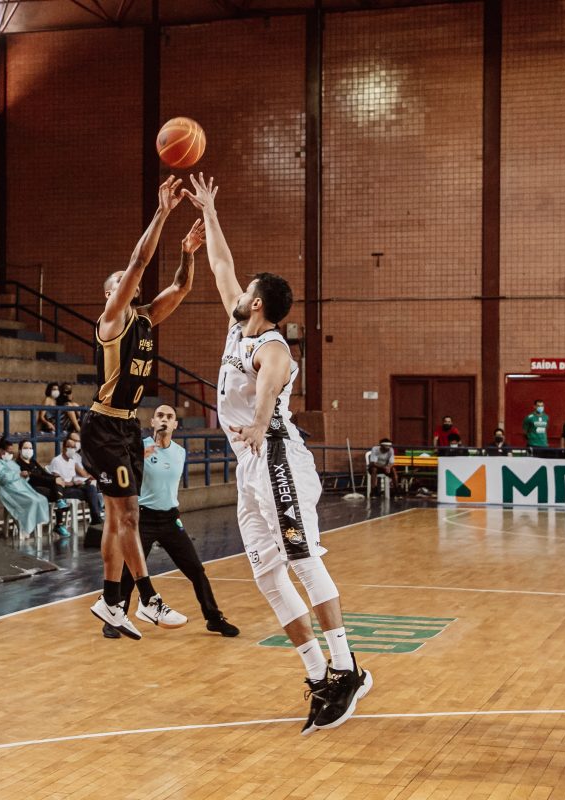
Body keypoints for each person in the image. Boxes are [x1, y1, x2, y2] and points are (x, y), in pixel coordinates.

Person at [186, 172, 372, 734]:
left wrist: (259, 422)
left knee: (301, 558)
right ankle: (316, 673)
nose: (238, 293)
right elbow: (221, 266)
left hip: (276, 456)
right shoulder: (238, 329)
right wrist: (210, 212)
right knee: (266, 573)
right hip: (250, 464)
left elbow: (270, 387)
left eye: (247, 292)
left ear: (259, 303)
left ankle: (347, 668)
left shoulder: (273, 347)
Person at [84, 175, 203, 639]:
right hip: (103, 426)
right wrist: (162, 212)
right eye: (118, 282)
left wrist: (187, 252)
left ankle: (111, 601)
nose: (127, 282)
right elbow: (137, 262)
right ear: (111, 293)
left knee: (118, 519)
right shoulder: (111, 319)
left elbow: (181, 287)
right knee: (130, 514)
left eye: (127, 283)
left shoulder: (147, 317)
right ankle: (148, 600)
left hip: (128, 428)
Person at [111, 404, 239, 639]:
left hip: (170, 519)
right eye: (160, 415)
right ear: (152, 422)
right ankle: (115, 618)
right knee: (130, 572)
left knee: (196, 570)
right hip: (144, 518)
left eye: (169, 417)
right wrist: (136, 458)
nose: (164, 420)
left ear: (175, 425)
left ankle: (214, 618)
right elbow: (122, 473)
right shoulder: (139, 448)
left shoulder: (180, 452)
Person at [0, 438, 51, 535]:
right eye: (9, 452)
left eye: (12, 452)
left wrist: (25, 476)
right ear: (1, 451)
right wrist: (19, 475)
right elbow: (3, 478)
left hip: (21, 487)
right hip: (10, 491)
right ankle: (25, 528)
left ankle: (35, 527)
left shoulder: (10, 462)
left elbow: (19, 474)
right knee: (32, 501)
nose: (11, 454)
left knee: (42, 499)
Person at [48, 431, 104, 529]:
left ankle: (96, 517)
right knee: (92, 494)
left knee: (91, 488)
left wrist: (80, 482)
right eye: (70, 447)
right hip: (63, 490)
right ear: (64, 448)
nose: (73, 449)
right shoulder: (57, 461)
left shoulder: (72, 461)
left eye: (74, 447)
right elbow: (57, 482)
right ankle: (96, 517)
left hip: (73, 487)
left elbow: (74, 477)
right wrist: (73, 483)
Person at [16, 440, 71, 538]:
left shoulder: (33, 461)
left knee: (57, 485)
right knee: (57, 491)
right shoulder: (18, 464)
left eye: (30, 448)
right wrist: (53, 480)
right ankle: (59, 524)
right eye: (25, 448)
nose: (28, 450)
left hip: (43, 485)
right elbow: (34, 478)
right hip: (31, 489)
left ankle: (59, 505)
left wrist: (56, 478)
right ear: (20, 450)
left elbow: (44, 473)